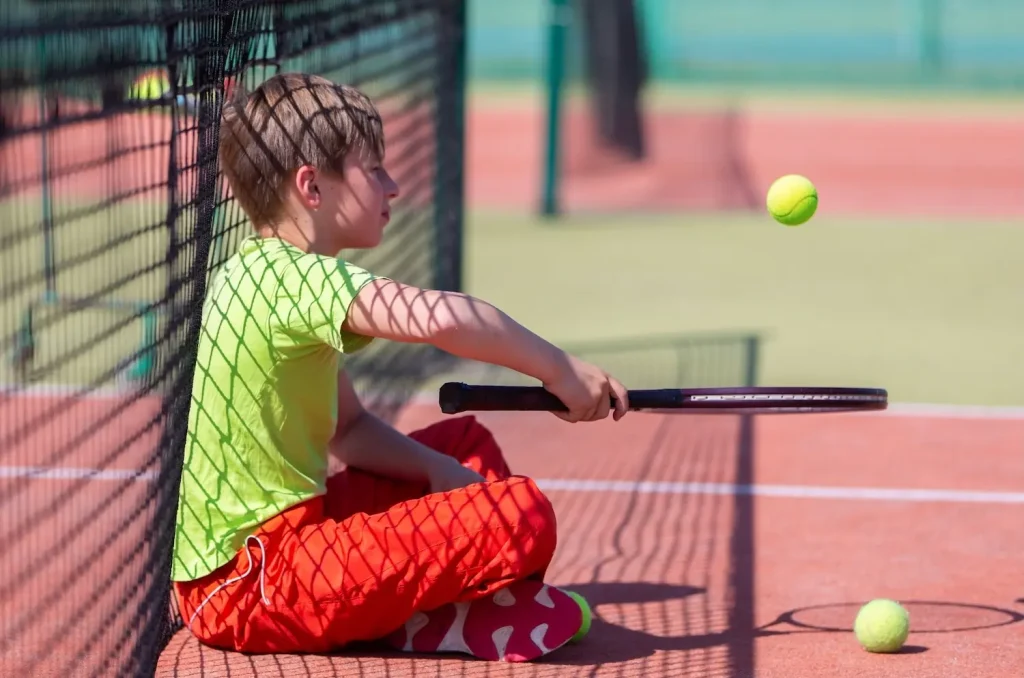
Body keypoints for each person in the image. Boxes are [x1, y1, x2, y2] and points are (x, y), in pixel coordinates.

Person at [170, 73, 629, 663]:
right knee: (523, 514)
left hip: (290, 545)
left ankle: (439, 609)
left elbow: (349, 430)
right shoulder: (294, 278)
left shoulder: (269, 275)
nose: (392, 184)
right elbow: (437, 318)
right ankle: (429, 619)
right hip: (245, 587)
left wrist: (440, 471)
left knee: (464, 445)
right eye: (374, 169)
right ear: (311, 185)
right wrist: (559, 369)